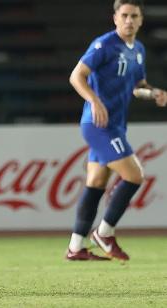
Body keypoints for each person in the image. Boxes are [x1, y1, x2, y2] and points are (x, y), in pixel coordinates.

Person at [65, 0, 167, 261]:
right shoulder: (104, 44)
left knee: (96, 182)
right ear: (115, 18)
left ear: (141, 20)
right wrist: (94, 101)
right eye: (124, 15)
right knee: (134, 175)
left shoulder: (139, 50)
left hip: (116, 124)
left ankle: (76, 247)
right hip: (99, 124)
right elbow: (77, 76)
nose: (129, 20)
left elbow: (137, 86)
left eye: (134, 16)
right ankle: (104, 232)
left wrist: (152, 92)